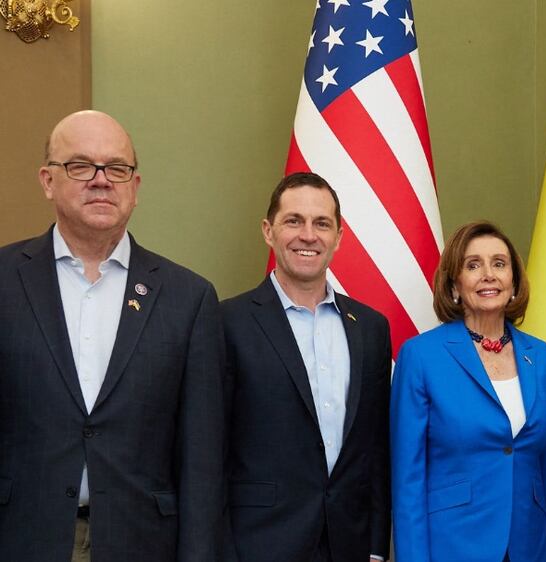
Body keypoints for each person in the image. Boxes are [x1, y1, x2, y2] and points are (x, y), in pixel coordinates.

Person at [0, 110, 226, 561]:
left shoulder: (189, 298)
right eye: (80, 166)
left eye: (117, 168)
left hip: (142, 543)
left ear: (135, 188)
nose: (102, 180)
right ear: (47, 180)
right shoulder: (4, 280)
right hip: (20, 537)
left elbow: (202, 458)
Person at [222, 172, 391, 562]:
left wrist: (377, 546)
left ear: (339, 237)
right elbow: (210, 452)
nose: (308, 235)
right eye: (293, 221)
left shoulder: (370, 329)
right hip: (258, 545)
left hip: (349, 544)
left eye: (322, 224)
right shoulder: (226, 323)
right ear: (268, 231)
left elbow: (375, 448)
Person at [391, 221, 546, 562]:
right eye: (473, 265)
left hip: (529, 546)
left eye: (499, 264)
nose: (489, 275)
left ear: (514, 281)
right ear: (455, 284)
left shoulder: (544, 359)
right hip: (452, 546)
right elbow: (407, 481)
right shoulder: (421, 357)